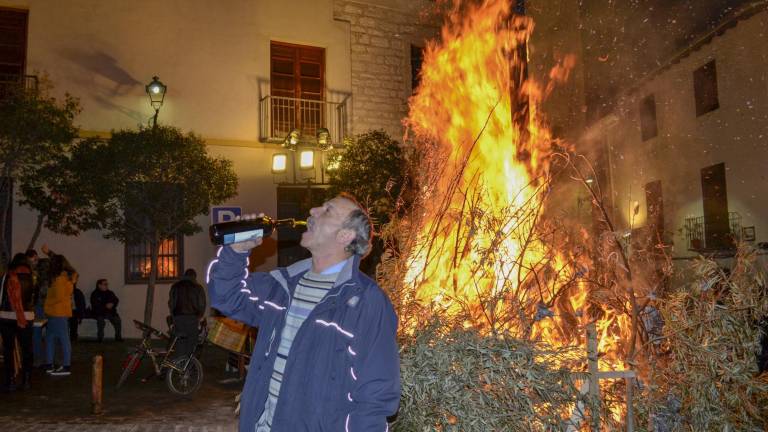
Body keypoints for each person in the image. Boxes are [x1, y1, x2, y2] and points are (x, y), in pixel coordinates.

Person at [208, 194, 400, 431]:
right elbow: (227, 297)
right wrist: (236, 251)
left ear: (345, 235)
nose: (312, 210)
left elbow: (376, 393)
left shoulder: (367, 302)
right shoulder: (281, 285)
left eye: (327, 210)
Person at [0, 253, 37, 391]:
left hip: (6, 316)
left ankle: (10, 381)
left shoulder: (7, 275)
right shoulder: (32, 277)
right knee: (27, 349)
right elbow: (35, 296)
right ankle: (26, 380)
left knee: (8, 350)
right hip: (26, 316)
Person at [42, 247, 77, 376]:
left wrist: (46, 305)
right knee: (52, 339)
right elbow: (68, 266)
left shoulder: (59, 280)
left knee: (60, 339)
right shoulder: (68, 276)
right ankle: (50, 364)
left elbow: (58, 297)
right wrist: (50, 253)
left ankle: (65, 366)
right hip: (59, 312)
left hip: (57, 312)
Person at [168, 268, 206, 358]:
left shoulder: (175, 286)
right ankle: (188, 367)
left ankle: (178, 366)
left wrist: (174, 316)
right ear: (194, 277)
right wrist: (199, 316)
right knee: (191, 343)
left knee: (180, 343)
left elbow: (171, 303)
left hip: (178, 318)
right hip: (192, 319)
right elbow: (201, 304)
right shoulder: (198, 287)